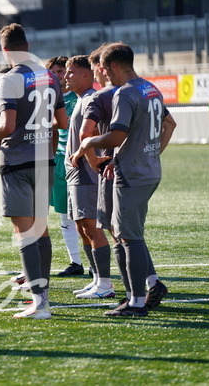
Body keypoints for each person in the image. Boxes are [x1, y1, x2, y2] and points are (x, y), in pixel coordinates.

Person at [0, 24, 67, 319]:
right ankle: (43, 296)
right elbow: (62, 122)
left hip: (18, 162)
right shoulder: (49, 76)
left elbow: (7, 126)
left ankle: (40, 303)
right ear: (27, 45)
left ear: (5, 50)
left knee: (25, 233)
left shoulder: (9, 79)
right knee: (41, 230)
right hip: (44, 160)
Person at [73, 42, 176, 316]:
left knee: (128, 237)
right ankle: (133, 297)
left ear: (114, 66)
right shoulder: (150, 88)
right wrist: (147, 154)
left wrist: (88, 144)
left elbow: (116, 136)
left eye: (105, 69)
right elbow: (166, 125)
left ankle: (137, 302)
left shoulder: (125, 93)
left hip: (131, 175)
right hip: (145, 170)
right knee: (124, 234)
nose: (104, 75)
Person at [63, 55, 114, 299]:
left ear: (86, 75)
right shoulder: (81, 99)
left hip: (85, 172)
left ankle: (105, 284)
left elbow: (90, 134)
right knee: (82, 227)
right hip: (75, 172)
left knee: (92, 227)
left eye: (70, 72)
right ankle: (96, 280)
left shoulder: (91, 98)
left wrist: (90, 160)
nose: (66, 77)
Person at [46, 56, 83, 277]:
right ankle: (75, 261)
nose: (57, 76)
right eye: (52, 72)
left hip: (80, 160)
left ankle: (96, 263)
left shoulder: (78, 98)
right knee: (63, 213)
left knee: (86, 215)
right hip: (59, 160)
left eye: (61, 71)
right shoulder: (47, 99)